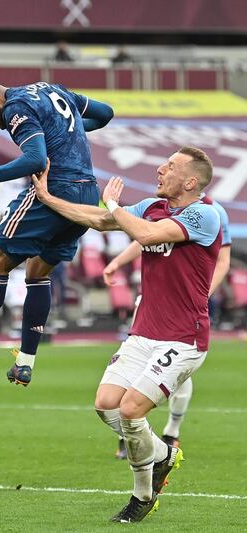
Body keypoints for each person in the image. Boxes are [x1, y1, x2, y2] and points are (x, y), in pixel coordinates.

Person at [31, 147, 221, 522]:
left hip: (184, 338)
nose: (160, 168)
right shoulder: (152, 207)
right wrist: (49, 198)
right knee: (105, 405)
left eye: (170, 166)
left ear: (190, 181)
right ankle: (164, 454)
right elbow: (101, 220)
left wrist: (115, 205)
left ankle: (142, 496)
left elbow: (147, 237)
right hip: (144, 332)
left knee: (132, 409)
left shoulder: (205, 214)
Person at [0, 77, 113, 385]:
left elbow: (35, 159)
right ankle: (25, 363)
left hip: (55, 187)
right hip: (87, 193)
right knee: (38, 273)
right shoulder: (53, 89)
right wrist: (64, 131)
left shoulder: (16, 107)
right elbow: (106, 112)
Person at [104, 193, 231, 460]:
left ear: (191, 180)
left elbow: (222, 260)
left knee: (177, 370)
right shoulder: (159, 207)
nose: (163, 173)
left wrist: (201, 294)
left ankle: (170, 431)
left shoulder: (213, 212)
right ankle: (132, 434)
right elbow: (146, 235)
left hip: (183, 309)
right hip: (151, 302)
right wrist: (117, 262)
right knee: (132, 372)